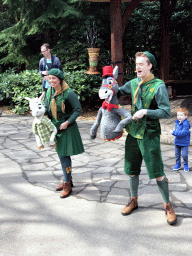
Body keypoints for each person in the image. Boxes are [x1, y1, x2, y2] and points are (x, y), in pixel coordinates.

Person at [118, 51, 177, 225]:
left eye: (141, 64)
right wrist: (108, 89)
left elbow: (166, 111)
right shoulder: (133, 82)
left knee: (157, 172)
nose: (138, 67)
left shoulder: (158, 86)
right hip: (132, 133)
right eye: (136, 64)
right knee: (131, 170)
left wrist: (146, 111)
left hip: (149, 134)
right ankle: (134, 200)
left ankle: (168, 205)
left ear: (150, 65)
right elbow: (118, 91)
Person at [45, 68, 84, 198]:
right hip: (56, 127)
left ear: (60, 80)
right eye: (49, 78)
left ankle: (67, 184)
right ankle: (68, 179)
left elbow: (77, 110)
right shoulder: (50, 91)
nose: (51, 81)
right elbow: (47, 108)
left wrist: (67, 122)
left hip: (67, 127)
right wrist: (39, 111)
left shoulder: (68, 93)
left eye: (54, 78)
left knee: (64, 156)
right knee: (62, 156)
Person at [171, 107, 190, 172]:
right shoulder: (177, 122)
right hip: (177, 142)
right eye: (178, 115)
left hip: (184, 142)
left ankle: (185, 164)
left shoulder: (186, 124)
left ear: (186, 116)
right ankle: (178, 164)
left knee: (184, 155)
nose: (179, 117)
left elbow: (184, 133)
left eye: (181, 115)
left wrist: (174, 132)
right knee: (177, 154)